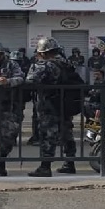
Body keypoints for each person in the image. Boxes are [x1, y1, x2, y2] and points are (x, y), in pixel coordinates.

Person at [26, 37, 77, 177]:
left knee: (48, 135)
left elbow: (30, 81)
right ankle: (69, 163)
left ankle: (45, 167)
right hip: (65, 103)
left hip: (48, 105)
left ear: (42, 53)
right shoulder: (66, 63)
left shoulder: (44, 65)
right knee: (67, 133)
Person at [0, 39, 24, 177]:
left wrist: (7, 81)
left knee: (8, 136)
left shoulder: (11, 64)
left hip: (8, 106)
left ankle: (0, 159)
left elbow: (20, 78)